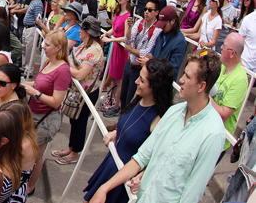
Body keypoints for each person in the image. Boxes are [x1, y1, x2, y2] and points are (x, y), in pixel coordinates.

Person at [88, 50, 226, 203]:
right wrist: (105, 188)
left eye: (187, 76)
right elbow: (141, 158)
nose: (181, 80)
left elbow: (191, 195)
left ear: (201, 86)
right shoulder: (174, 112)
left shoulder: (213, 134)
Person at [83, 58, 176, 203]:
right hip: (110, 165)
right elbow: (132, 127)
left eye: (142, 80)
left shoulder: (158, 120)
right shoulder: (139, 99)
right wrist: (116, 133)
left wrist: (141, 176)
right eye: (139, 77)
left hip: (123, 177)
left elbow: (158, 159)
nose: (136, 81)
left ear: (156, 86)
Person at [20, 29, 72, 196]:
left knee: (36, 155)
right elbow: (39, 83)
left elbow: (57, 101)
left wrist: (34, 92)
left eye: (47, 44)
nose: (43, 46)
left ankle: (30, 186)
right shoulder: (49, 62)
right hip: (33, 114)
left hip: (44, 119)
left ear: (59, 47)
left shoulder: (63, 70)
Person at [53, 15, 104, 165]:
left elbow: (81, 74)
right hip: (77, 92)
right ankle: (71, 147)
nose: (79, 30)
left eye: (82, 28)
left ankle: (75, 153)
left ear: (88, 32)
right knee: (74, 121)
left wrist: (64, 67)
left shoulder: (95, 50)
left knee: (80, 122)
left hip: (87, 93)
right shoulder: (84, 45)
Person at [120, 0, 162, 106]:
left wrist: (130, 49)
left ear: (156, 13)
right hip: (129, 64)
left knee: (131, 98)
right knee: (123, 95)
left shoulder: (157, 30)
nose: (146, 12)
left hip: (139, 69)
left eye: (150, 10)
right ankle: (120, 119)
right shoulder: (139, 22)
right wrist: (129, 28)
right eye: (145, 9)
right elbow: (128, 40)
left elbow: (147, 51)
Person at [213, 33, 248, 159]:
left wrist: (205, 95)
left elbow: (224, 114)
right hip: (207, 129)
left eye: (224, 46)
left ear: (232, 53)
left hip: (216, 139)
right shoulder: (223, 66)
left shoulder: (240, 80)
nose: (221, 47)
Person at [101, 0, 134, 117]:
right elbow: (114, 29)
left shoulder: (128, 16)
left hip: (120, 49)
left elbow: (126, 37)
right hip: (115, 47)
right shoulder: (119, 13)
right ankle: (112, 100)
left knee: (119, 79)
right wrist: (107, 34)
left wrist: (112, 38)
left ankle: (116, 106)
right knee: (113, 77)